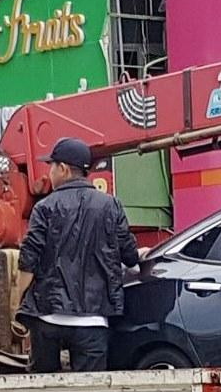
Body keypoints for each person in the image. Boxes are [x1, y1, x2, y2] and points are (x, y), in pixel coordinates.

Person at [16, 137, 140, 372]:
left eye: (51, 166)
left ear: (62, 169)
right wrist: (138, 253)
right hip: (93, 320)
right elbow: (130, 257)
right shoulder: (110, 206)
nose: (49, 173)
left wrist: (17, 302)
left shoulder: (44, 208)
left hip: (47, 317)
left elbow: (28, 262)